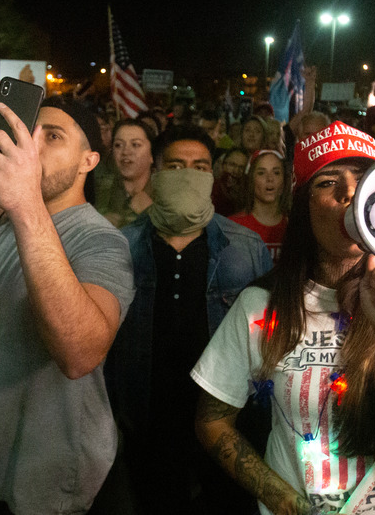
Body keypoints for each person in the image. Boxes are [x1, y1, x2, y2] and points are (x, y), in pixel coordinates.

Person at [192, 120, 375, 514]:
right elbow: (213, 420)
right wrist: (280, 498)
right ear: (303, 206)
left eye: (363, 180)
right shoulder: (262, 305)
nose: (349, 194)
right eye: (327, 182)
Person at [0, 96, 135, 515]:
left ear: (88, 161)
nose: (32, 145)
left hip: (64, 484)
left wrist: (25, 202)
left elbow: (79, 354)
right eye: (29, 133)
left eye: (52, 136)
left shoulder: (100, 240)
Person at [104, 123, 273, 514]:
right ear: (158, 173)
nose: (188, 175)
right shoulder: (123, 245)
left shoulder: (245, 248)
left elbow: (267, 341)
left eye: (199, 167)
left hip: (226, 421)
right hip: (149, 419)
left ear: (212, 175)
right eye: (176, 166)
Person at [229, 149, 290, 264]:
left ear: (283, 182)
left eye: (276, 172)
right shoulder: (233, 227)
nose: (270, 179)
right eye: (261, 173)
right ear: (251, 181)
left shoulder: (293, 227)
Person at [96, 119, 156, 228]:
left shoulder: (165, 194)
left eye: (135, 145)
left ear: (152, 155)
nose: (126, 152)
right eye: (118, 145)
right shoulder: (101, 190)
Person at [212, 147, 249, 216]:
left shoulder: (246, 193)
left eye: (241, 167)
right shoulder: (211, 187)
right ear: (223, 165)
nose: (236, 171)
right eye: (232, 165)